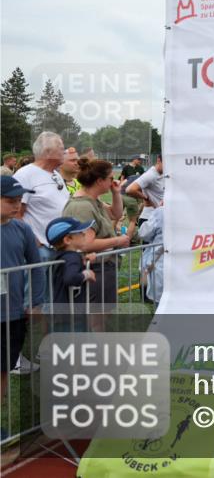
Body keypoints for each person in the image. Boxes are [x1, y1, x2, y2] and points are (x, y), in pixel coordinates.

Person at [1, 176, 46, 420]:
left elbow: (36, 267)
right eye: (10, 200)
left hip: (12, 313)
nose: (17, 205)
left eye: (19, 200)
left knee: (4, 368)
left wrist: (35, 302)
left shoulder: (22, 229)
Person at [63, 158, 130, 315]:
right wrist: (118, 241)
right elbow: (86, 244)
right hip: (95, 269)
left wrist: (116, 193)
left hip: (101, 268)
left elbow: (116, 214)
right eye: (110, 178)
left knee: (101, 316)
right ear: (99, 181)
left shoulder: (92, 200)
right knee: (96, 319)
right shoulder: (82, 206)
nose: (113, 181)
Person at [12, 132, 69, 262]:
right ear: (47, 152)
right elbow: (16, 214)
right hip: (41, 249)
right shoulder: (25, 175)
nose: (64, 152)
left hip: (59, 247)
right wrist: (35, 242)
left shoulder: (56, 174)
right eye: (61, 148)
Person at [45, 216, 97, 316]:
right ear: (68, 239)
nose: (84, 234)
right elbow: (70, 278)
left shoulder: (59, 256)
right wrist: (87, 274)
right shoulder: (72, 257)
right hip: (71, 312)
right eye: (80, 232)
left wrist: (85, 263)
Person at [127, 154, 164, 227]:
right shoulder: (151, 175)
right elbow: (130, 189)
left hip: (159, 217)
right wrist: (146, 198)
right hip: (149, 219)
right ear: (158, 160)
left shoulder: (163, 174)